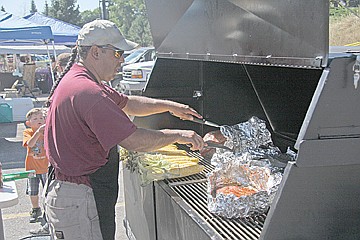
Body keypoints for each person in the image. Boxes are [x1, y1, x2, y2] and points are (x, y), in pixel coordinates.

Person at [43, 19, 205, 240]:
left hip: (76, 194)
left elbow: (129, 103)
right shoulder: (88, 92)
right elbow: (134, 140)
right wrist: (179, 135)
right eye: (118, 53)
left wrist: (170, 106)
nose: (122, 60)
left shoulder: (83, 81)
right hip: (79, 199)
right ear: (96, 52)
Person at [23, 108, 49, 225]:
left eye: (41, 118)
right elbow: (30, 144)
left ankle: (47, 211)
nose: (39, 120)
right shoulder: (28, 133)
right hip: (32, 168)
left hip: (45, 167)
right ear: (28, 123)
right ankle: (35, 209)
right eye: (35, 119)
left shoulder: (48, 131)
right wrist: (38, 132)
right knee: (33, 191)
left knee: (47, 191)